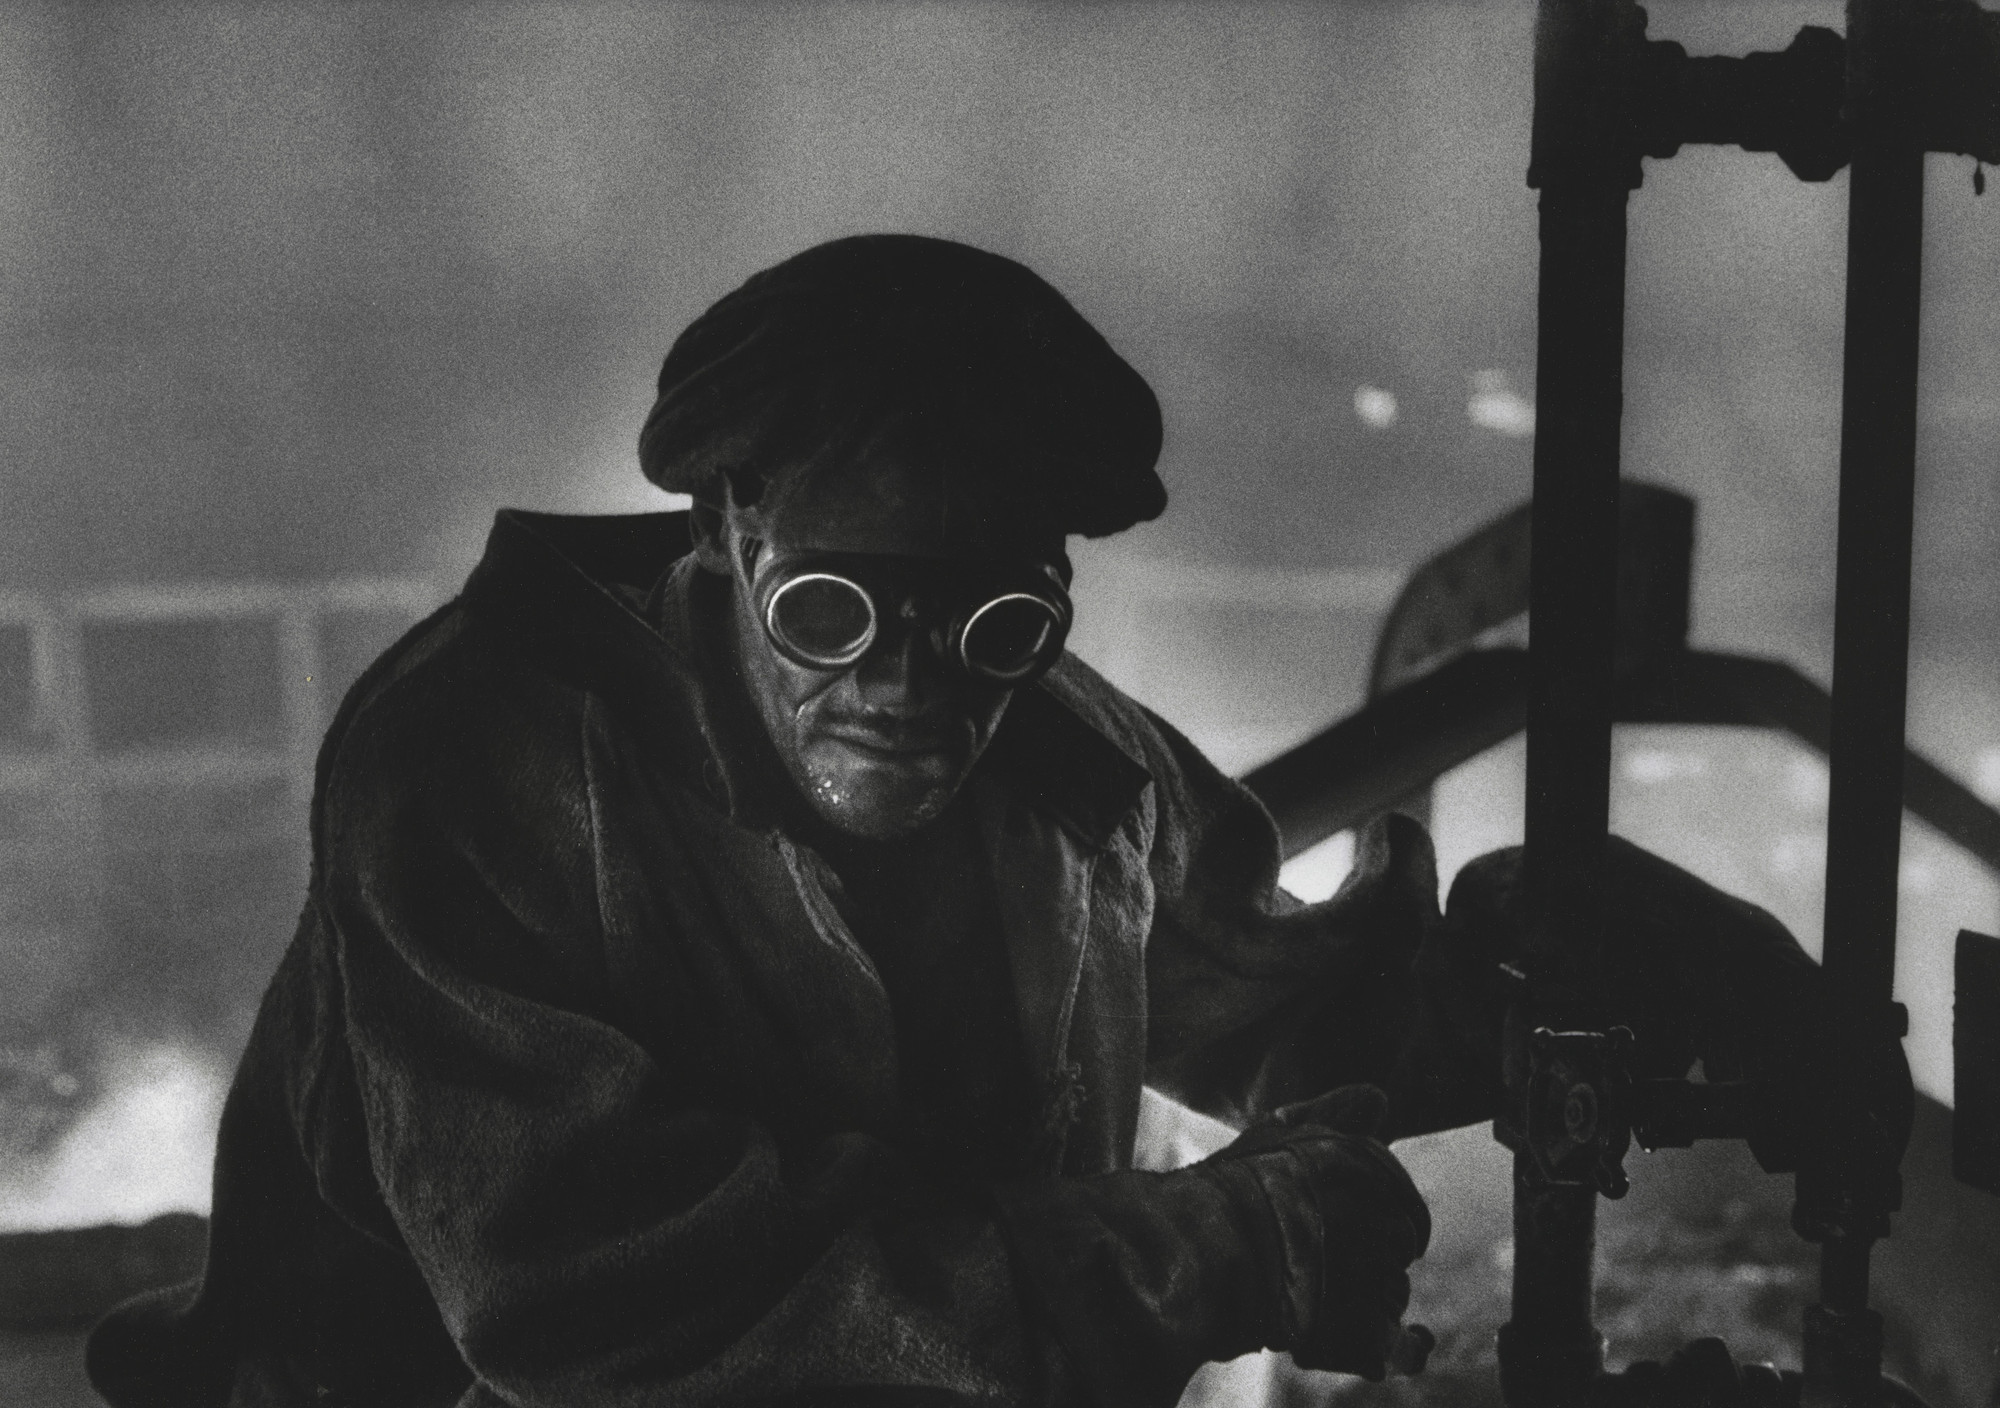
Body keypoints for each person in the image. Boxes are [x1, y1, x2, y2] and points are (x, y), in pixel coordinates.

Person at [87, 234, 1892, 1408]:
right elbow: (608, 1312)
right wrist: (1204, 1251)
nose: (914, 688)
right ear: (731, 529)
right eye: (832, 615)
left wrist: (1546, 990)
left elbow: (1276, 1006)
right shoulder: (478, 767)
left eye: (996, 623)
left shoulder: (1066, 762)